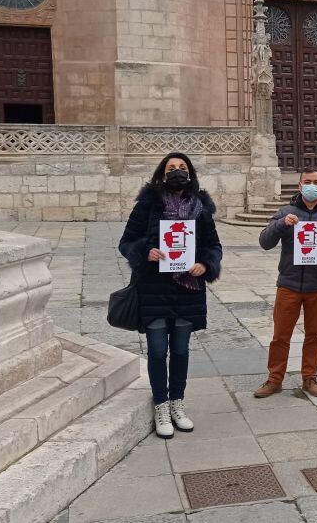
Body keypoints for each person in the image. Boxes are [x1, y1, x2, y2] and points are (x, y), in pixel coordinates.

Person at [118, 152, 223, 439]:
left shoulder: (200, 208)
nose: (177, 171)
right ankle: (160, 404)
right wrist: (144, 252)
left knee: (179, 351)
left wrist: (206, 263)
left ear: (190, 173)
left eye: (182, 167)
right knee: (156, 350)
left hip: (187, 289)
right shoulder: (148, 205)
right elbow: (126, 242)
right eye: (171, 167)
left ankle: (177, 402)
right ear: (162, 174)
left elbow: (214, 246)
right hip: (153, 288)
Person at [255, 168, 317, 398]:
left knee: (314, 335)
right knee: (280, 336)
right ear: (299, 186)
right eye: (307, 181)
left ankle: (310, 378)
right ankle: (274, 379)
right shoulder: (286, 211)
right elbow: (265, 241)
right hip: (289, 284)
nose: (311, 185)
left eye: (316, 182)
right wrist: (281, 224)